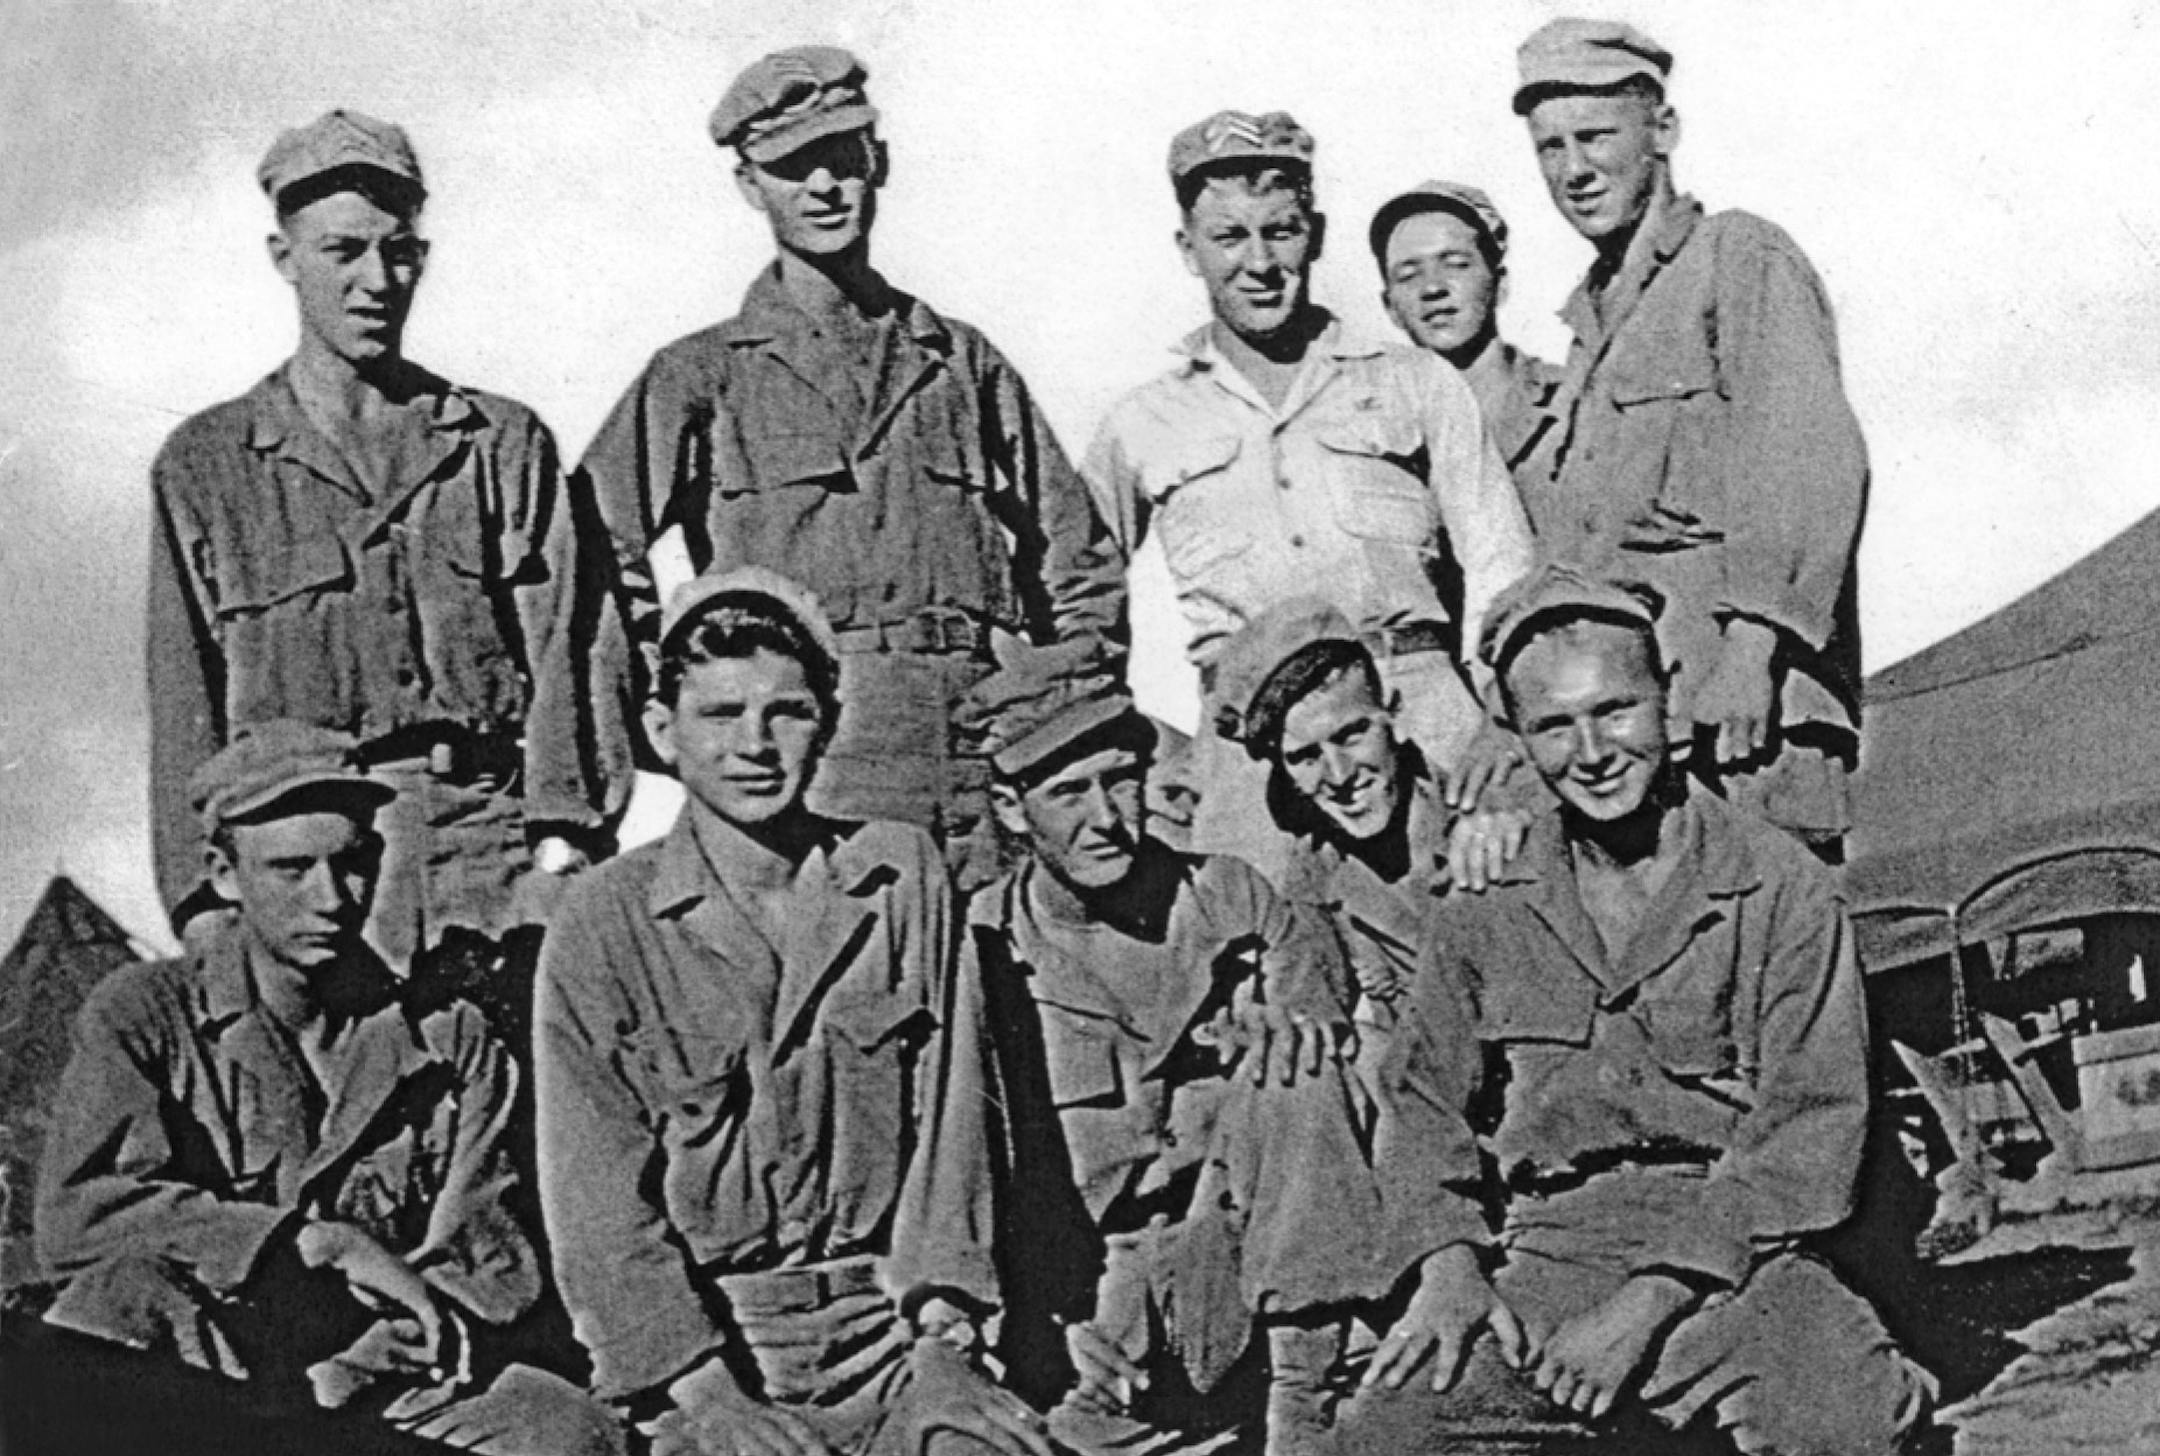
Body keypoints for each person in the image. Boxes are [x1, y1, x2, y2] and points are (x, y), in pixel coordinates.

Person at [1340, 564, 1934, 1455]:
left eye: (1615, 710)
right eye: (1553, 726)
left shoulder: (1778, 886)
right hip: (1545, 1249)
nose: (1592, 753)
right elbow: (1423, 1108)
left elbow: (1808, 1132)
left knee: (1838, 1420)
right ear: (1514, 735)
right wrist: (1450, 1267)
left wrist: (1644, 1304)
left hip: (1737, 1257)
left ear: (1669, 695)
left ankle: (1880, 1376)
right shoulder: (1484, 903)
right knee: (1382, 1435)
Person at [532, 568, 1051, 1456]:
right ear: (663, 732)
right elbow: (598, 1213)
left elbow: (954, 1130)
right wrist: (713, 1403)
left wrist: (944, 1341)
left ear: (832, 723)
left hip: (895, 1331)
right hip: (712, 1353)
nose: (756, 745)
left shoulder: (900, 878)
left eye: (788, 712)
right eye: (721, 714)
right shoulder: (602, 922)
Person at [579, 46, 1124, 891]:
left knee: (1004, 986)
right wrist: (699, 690)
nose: (825, 188)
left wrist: (1059, 697)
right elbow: (594, 550)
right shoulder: (702, 374)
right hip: (826, 754)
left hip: (982, 743)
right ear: (750, 185)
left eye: (843, 160)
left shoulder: (959, 362)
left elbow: (1077, 555)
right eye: (794, 168)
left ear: (881, 163)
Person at [35, 722, 621, 1455]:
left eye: (351, 865)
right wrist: (309, 1242)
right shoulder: (147, 1015)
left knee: (566, 1428)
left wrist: (363, 1361)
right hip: (213, 1363)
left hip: (390, 1375)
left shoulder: (449, 1038)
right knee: (109, 1311)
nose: (332, 899)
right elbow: (82, 1219)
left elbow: (486, 1261)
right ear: (223, 872)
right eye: (290, 869)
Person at [147, 109, 626, 968]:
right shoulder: (208, 465)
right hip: (306, 873)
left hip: (491, 857)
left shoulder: (497, 444)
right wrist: (202, 912)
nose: (377, 279)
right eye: (343, 252)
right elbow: (184, 706)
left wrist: (564, 854)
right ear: (284, 258)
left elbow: (572, 657)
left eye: (398, 251)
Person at [956, 639, 1455, 1455]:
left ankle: (1307, 1407)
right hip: (1095, 1328)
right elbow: (964, 1175)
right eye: (1069, 792)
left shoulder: (1228, 896)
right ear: (1013, 810)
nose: (1109, 817)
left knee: (1297, 1068)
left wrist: (1293, 1024)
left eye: (1122, 780)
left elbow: (1323, 1044)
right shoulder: (981, 950)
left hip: (1253, 1283)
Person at [1084, 109, 1535, 879]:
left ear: (1316, 237)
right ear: (1188, 250)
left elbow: (1501, 565)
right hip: (1250, 762)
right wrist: (1146, 752)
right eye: (1230, 237)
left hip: (1423, 720)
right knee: (1263, 969)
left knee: (1479, 938)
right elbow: (1078, 605)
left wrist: (1498, 732)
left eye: (1280, 232)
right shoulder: (1141, 424)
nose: (1259, 262)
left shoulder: (1411, 381)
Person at [1512, 19, 1867, 859]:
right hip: (1655, 736)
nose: (1574, 169)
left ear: (1661, 132)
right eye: (1549, 147)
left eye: (1595, 136)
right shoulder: (1592, 325)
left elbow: (1808, 457)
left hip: (1748, 721)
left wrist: (1752, 650)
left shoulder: (1736, 258)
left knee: (1781, 976)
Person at [1207, 598, 1528, 1088]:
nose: (1339, 776)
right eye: (1305, 757)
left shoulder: (1489, 811)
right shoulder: (1317, 872)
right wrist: (1276, 1023)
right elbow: (1312, 1000)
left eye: (1352, 735)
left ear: (1394, 716)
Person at [1369, 180, 1558, 490]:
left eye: (1456, 265)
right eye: (1408, 275)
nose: (1433, 288)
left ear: (1499, 284)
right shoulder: (1377, 432)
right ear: (1391, 307)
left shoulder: (1571, 401)